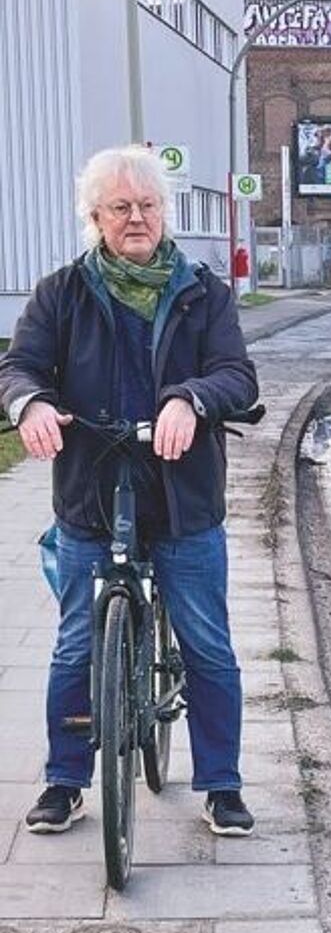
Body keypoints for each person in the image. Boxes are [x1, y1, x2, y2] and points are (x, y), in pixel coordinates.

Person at [0, 145, 259, 838]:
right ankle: (65, 780)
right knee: (75, 645)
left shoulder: (203, 292)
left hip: (183, 496)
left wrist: (191, 399)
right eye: (121, 207)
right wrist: (29, 403)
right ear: (95, 217)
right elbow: (19, 366)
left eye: (147, 205)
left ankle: (222, 785)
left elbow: (237, 375)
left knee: (207, 644)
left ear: (163, 213)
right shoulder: (61, 292)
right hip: (91, 490)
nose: (136, 218)